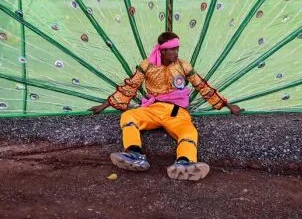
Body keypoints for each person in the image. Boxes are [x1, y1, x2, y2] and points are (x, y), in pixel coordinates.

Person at [89, 31, 242, 181]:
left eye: (177, 49)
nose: (176, 53)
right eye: (172, 49)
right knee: (128, 116)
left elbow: (201, 85)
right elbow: (130, 86)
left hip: (176, 111)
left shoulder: (183, 65)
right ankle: (134, 153)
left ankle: (184, 162)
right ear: (162, 51)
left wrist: (227, 104)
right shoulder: (147, 65)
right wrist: (104, 105)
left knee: (189, 131)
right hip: (153, 109)